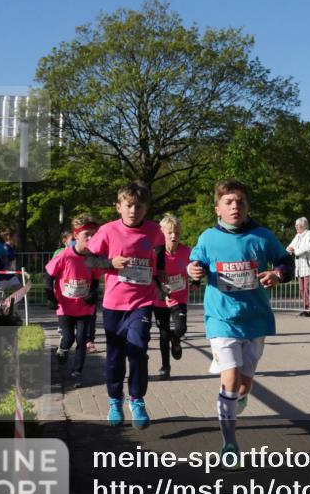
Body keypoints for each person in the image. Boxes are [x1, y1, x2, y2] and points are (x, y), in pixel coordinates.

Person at [187, 179, 294, 467]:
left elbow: (286, 262)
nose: (235, 206)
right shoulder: (208, 238)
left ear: (247, 207)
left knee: (244, 386)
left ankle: (236, 400)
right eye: (229, 202)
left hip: (255, 320)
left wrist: (278, 275)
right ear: (217, 209)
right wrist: (193, 271)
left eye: (240, 201)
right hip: (222, 319)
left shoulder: (262, 236)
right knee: (230, 379)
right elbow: (193, 267)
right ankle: (229, 443)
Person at [85, 182, 166, 429]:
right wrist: (110, 263)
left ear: (146, 208)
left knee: (138, 349)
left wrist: (165, 287)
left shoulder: (154, 231)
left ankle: (137, 399)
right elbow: (89, 260)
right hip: (113, 304)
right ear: (118, 207)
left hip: (141, 302)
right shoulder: (108, 230)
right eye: (129, 206)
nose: (134, 211)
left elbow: (160, 264)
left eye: (139, 206)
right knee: (114, 356)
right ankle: (113, 401)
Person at [45, 215, 101, 381]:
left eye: (93, 235)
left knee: (81, 339)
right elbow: (49, 275)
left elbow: (96, 279)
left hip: (84, 306)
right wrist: (50, 296)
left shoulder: (93, 257)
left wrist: (93, 293)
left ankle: (77, 372)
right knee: (69, 338)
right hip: (65, 306)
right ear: (76, 236)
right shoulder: (65, 255)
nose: (91, 238)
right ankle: (62, 349)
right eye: (87, 235)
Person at [153, 213, 191, 380]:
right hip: (160, 300)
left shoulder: (187, 251)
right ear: (163, 235)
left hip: (180, 298)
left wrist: (196, 281)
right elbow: (153, 277)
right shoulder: (156, 254)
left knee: (181, 328)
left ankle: (176, 340)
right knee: (163, 334)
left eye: (176, 232)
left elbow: (195, 269)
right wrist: (162, 293)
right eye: (170, 233)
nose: (174, 235)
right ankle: (165, 366)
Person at [286, 217, 310, 317]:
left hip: (308, 265)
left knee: (308, 288)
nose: (296, 227)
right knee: (302, 288)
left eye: (297, 225)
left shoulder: (309, 234)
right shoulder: (298, 236)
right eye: (295, 225)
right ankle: (305, 307)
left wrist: (297, 251)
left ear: (303, 226)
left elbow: (309, 246)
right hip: (300, 266)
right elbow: (290, 246)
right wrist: (290, 249)